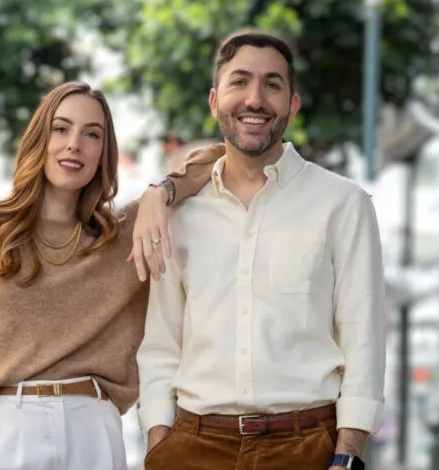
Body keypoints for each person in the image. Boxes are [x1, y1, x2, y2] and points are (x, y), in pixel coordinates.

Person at [0, 81, 224, 470]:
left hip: (94, 426)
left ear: (104, 153)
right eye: (61, 128)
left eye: (92, 134)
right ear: (40, 137)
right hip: (6, 424)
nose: (75, 144)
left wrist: (161, 192)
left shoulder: (123, 235)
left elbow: (217, 158)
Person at [137, 29, 386, 470]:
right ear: (215, 101)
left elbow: (363, 337)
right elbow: (161, 343)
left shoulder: (343, 204)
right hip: (193, 447)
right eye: (239, 82)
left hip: (306, 447)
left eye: (272, 84)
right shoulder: (180, 214)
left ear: (292, 104)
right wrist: (159, 442)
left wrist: (347, 455)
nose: (255, 99)